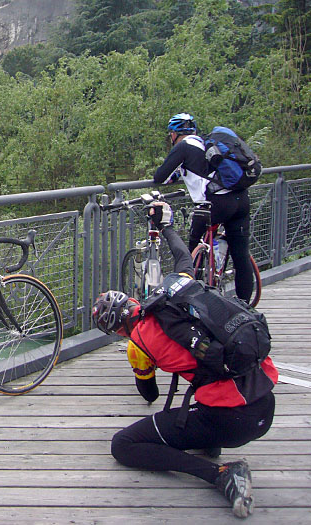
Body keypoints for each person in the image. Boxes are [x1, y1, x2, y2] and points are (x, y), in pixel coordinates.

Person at [92, 201, 277, 519]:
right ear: (133, 300)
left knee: (123, 444)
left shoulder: (139, 343)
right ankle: (211, 440)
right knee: (204, 384)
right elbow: (181, 255)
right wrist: (164, 226)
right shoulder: (178, 289)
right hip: (265, 405)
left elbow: (149, 395)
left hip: (230, 420)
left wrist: (144, 367)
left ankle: (220, 475)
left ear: (118, 332)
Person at [153, 113, 255, 303]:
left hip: (214, 205)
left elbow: (160, 177)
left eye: (170, 135)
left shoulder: (184, 146)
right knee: (241, 256)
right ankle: (245, 307)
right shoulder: (207, 144)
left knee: (190, 250)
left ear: (175, 134)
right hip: (240, 198)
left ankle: (196, 302)